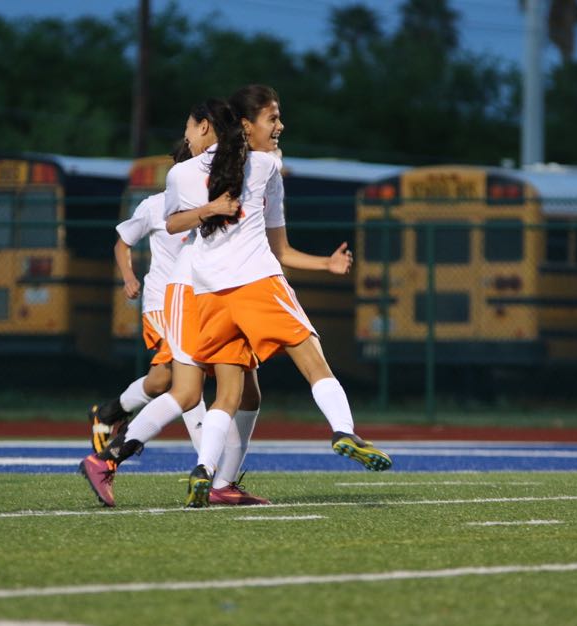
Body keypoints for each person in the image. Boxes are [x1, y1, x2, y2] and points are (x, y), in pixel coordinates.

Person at [98, 85, 393, 509]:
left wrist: (323, 263)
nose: (280, 126)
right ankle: (344, 430)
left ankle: (205, 469)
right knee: (312, 358)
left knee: (228, 394)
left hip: (210, 294)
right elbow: (278, 247)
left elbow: (175, 223)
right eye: (273, 118)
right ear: (244, 124)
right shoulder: (265, 166)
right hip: (256, 282)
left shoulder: (181, 173)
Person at [81, 100, 269, 507]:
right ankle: (117, 455)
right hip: (186, 297)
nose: (187, 139)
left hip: (218, 293)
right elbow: (169, 225)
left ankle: (216, 479)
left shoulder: (233, 172)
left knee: (237, 390)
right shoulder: (182, 182)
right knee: (185, 390)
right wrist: (213, 208)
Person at [79, 140, 207, 508]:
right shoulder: (154, 206)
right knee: (188, 377)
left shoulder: (206, 209)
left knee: (161, 381)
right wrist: (129, 278)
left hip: (193, 303)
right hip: (161, 305)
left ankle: (108, 412)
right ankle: (207, 469)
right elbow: (122, 242)